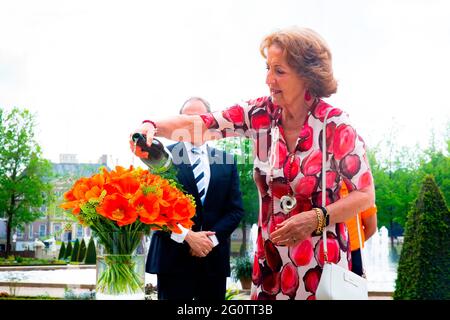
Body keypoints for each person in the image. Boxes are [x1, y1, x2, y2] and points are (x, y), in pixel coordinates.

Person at [130, 27, 375, 300]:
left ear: (308, 75)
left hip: (321, 265)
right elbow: (202, 124)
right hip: (269, 267)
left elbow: (364, 195)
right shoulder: (260, 114)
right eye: (267, 68)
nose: (269, 79)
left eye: (279, 71)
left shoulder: (335, 124)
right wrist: (151, 126)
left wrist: (315, 218)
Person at [144, 97, 245, 301]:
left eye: (199, 118)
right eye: (187, 119)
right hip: (172, 260)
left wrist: (209, 241)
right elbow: (152, 209)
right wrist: (187, 236)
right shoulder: (161, 158)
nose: (193, 124)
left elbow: (235, 211)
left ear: (209, 122)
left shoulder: (226, 160)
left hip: (213, 261)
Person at [341, 182, 377, 276]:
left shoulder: (359, 187)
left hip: (353, 253)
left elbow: (371, 227)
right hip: (323, 253)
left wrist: (354, 244)